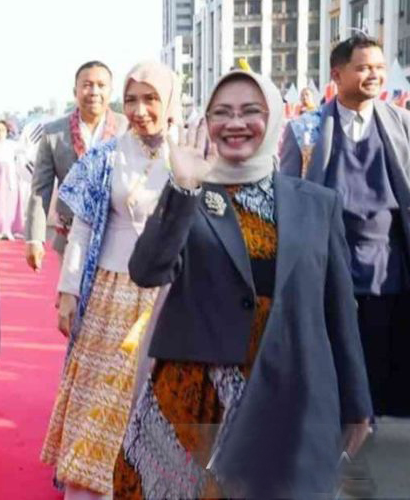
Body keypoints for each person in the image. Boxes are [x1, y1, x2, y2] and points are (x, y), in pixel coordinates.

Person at [114, 69, 372, 498]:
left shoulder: (316, 203)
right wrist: (183, 187)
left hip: (290, 387)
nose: (236, 123)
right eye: (222, 113)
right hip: (197, 395)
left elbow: (339, 310)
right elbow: (147, 271)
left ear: (273, 120)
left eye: (251, 111)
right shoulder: (190, 195)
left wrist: (357, 401)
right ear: (207, 123)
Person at [41, 61, 180, 499]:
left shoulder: (189, 156)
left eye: (151, 99)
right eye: (132, 100)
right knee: (101, 396)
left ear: (170, 102)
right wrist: (68, 290)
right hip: (109, 293)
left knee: (151, 397)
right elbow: (81, 228)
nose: (140, 110)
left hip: (167, 297)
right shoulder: (104, 156)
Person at [281, 33, 410, 495]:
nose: (374, 75)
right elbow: (288, 200)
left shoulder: (401, 124)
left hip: (389, 272)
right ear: (337, 75)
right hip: (330, 274)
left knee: (386, 370)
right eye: (363, 67)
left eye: (379, 67)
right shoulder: (306, 131)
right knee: (336, 373)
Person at [25, 61, 128, 271]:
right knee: (73, 292)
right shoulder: (54, 133)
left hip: (119, 236)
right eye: (87, 85)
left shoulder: (127, 129)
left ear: (111, 92)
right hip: (71, 237)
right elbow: (40, 189)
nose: (94, 91)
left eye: (101, 85)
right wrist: (34, 239)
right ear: (75, 91)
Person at [0, 120, 25, 239]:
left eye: (3, 130)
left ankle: (9, 229)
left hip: (10, 178)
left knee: (10, 203)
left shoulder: (11, 144)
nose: (0, 132)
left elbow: (25, 152)